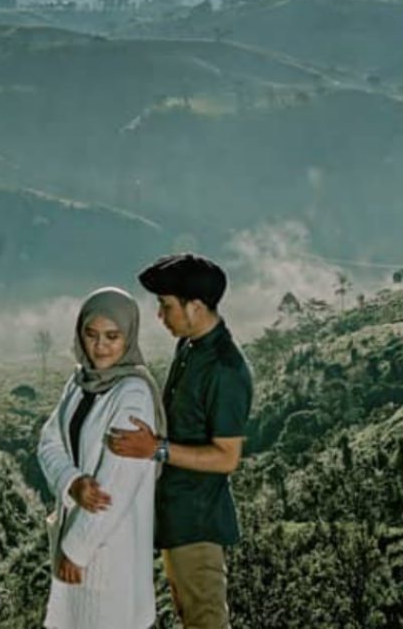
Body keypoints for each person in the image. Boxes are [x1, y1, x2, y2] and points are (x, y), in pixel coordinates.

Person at [108, 253, 253, 629]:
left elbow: (227, 457)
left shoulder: (226, 368)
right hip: (175, 519)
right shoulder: (188, 348)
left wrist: (155, 448)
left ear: (196, 307)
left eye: (166, 306)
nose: (160, 316)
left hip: (199, 525)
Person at [37, 287, 165, 629]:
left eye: (112, 336)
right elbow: (48, 441)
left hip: (108, 548)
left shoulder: (133, 394)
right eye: (91, 335)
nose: (100, 346)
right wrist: (72, 482)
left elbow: (117, 484)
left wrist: (77, 549)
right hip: (75, 536)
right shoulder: (78, 383)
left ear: (129, 336)